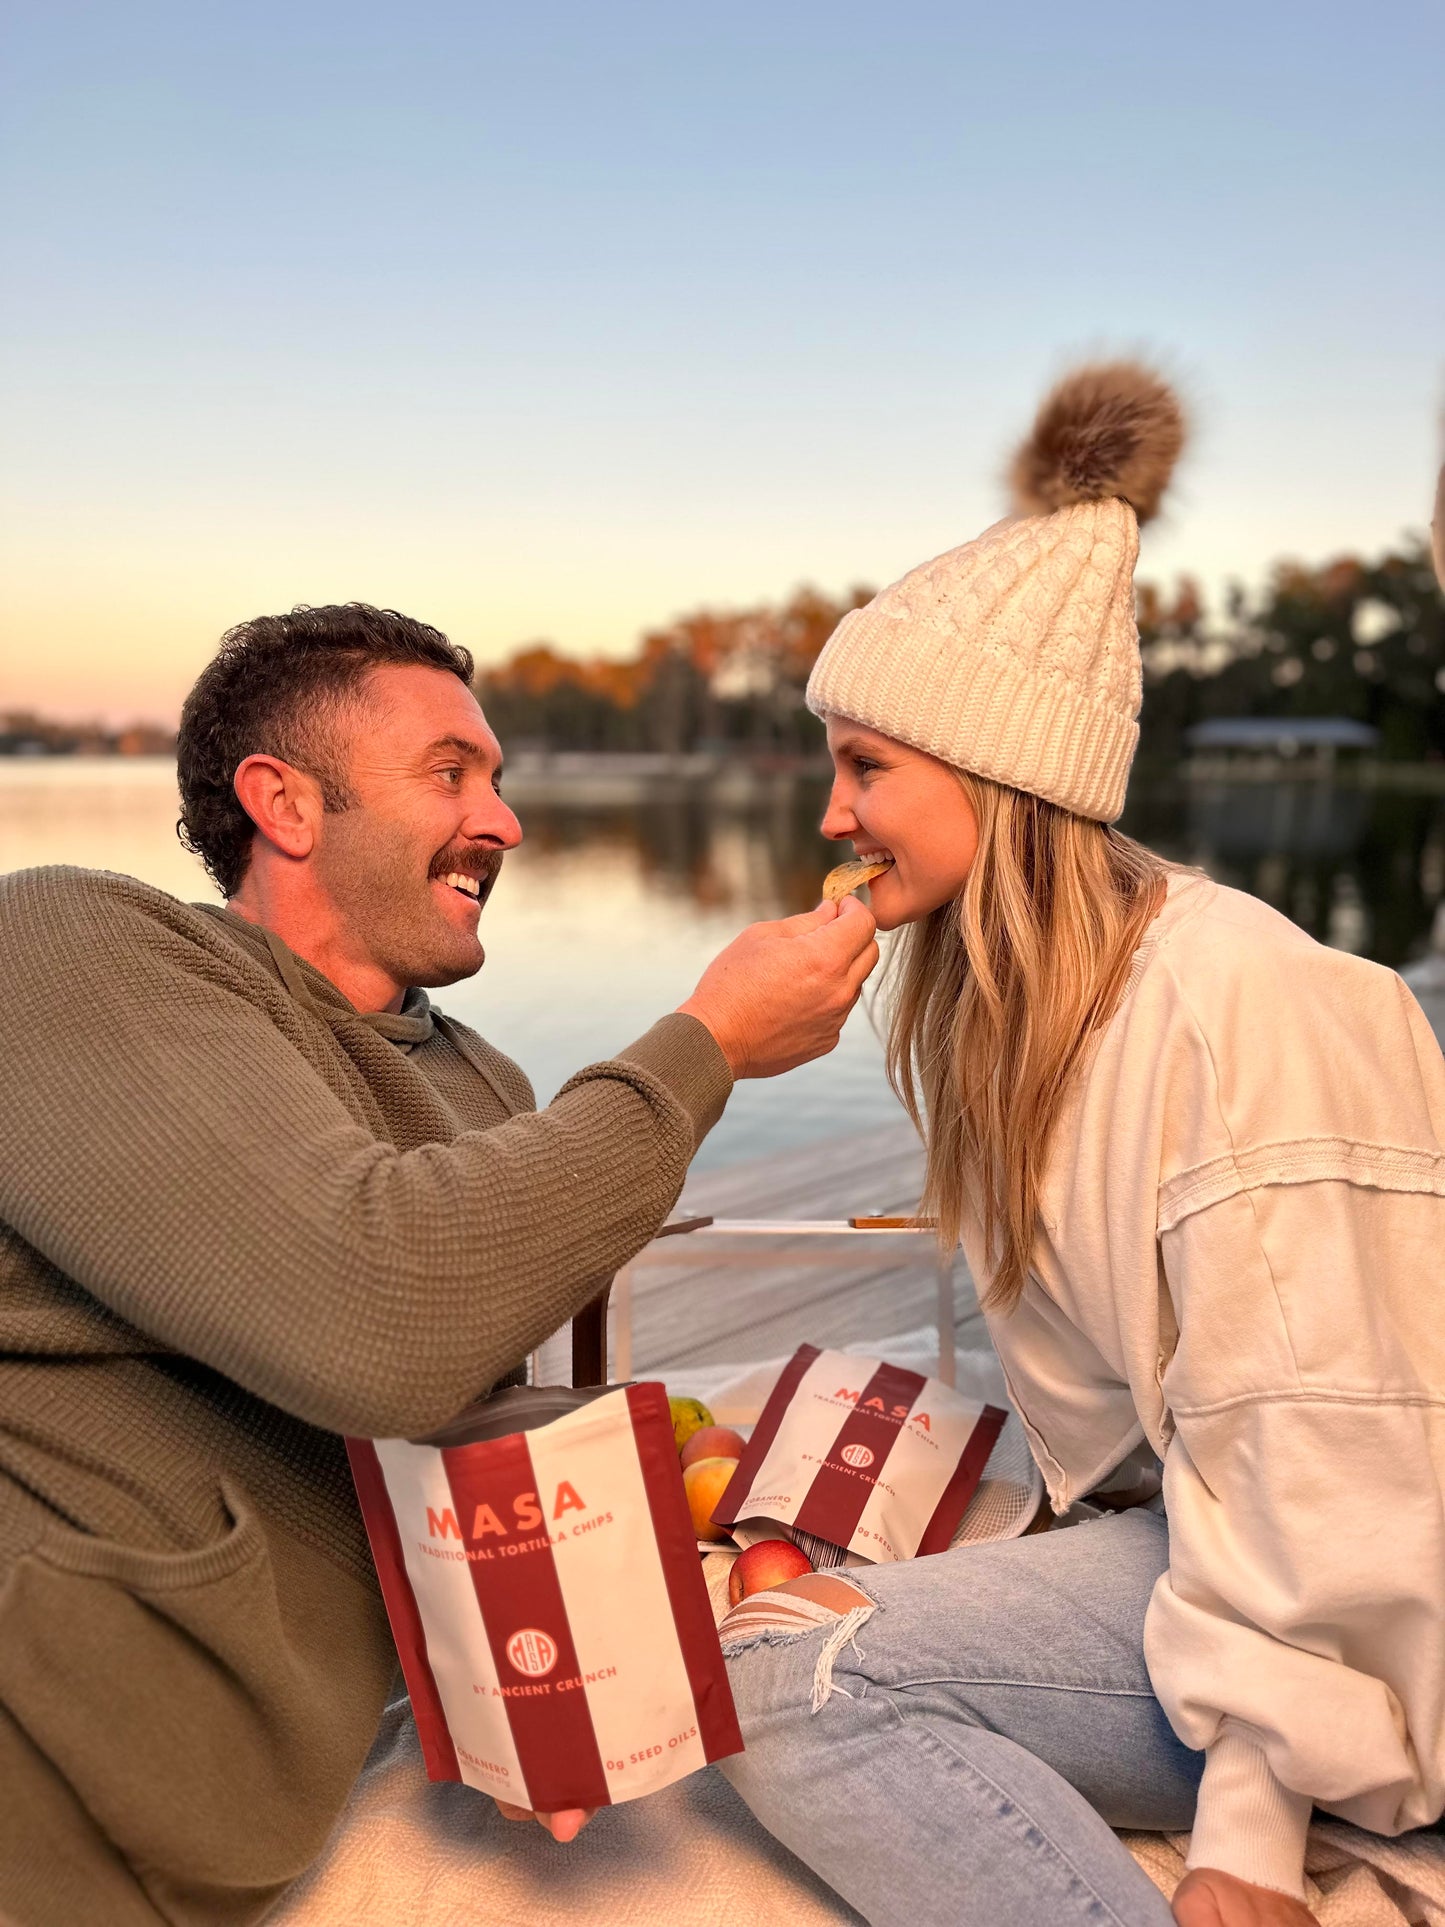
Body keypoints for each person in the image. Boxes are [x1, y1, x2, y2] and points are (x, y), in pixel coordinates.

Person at [0, 603, 879, 1927]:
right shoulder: (74, 949)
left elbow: (453, 1437)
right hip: (52, 1784)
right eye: (451, 774)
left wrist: (548, 1688)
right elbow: (372, 1312)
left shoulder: (483, 1083)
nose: (503, 823)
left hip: (279, 1792)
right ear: (285, 805)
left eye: (499, 780)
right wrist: (705, 1045)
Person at [714, 366, 1445, 1927]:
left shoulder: (1242, 1008)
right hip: (1181, 1543)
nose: (832, 815)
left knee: (788, 1675)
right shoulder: (1022, 1009)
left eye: (866, 767)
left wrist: (1250, 1832)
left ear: (1000, 774)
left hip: (1362, 1633)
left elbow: (1331, 1447)